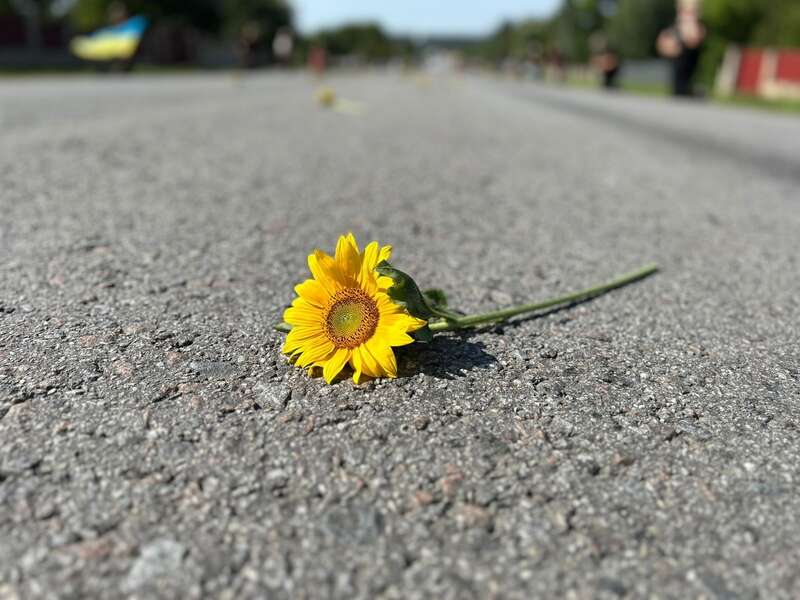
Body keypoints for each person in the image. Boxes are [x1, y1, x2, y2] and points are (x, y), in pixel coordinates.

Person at [657, 0, 706, 96]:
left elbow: (695, 39)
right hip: (679, 82)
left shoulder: (697, 28)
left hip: (688, 79)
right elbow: (663, 47)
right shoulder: (673, 30)